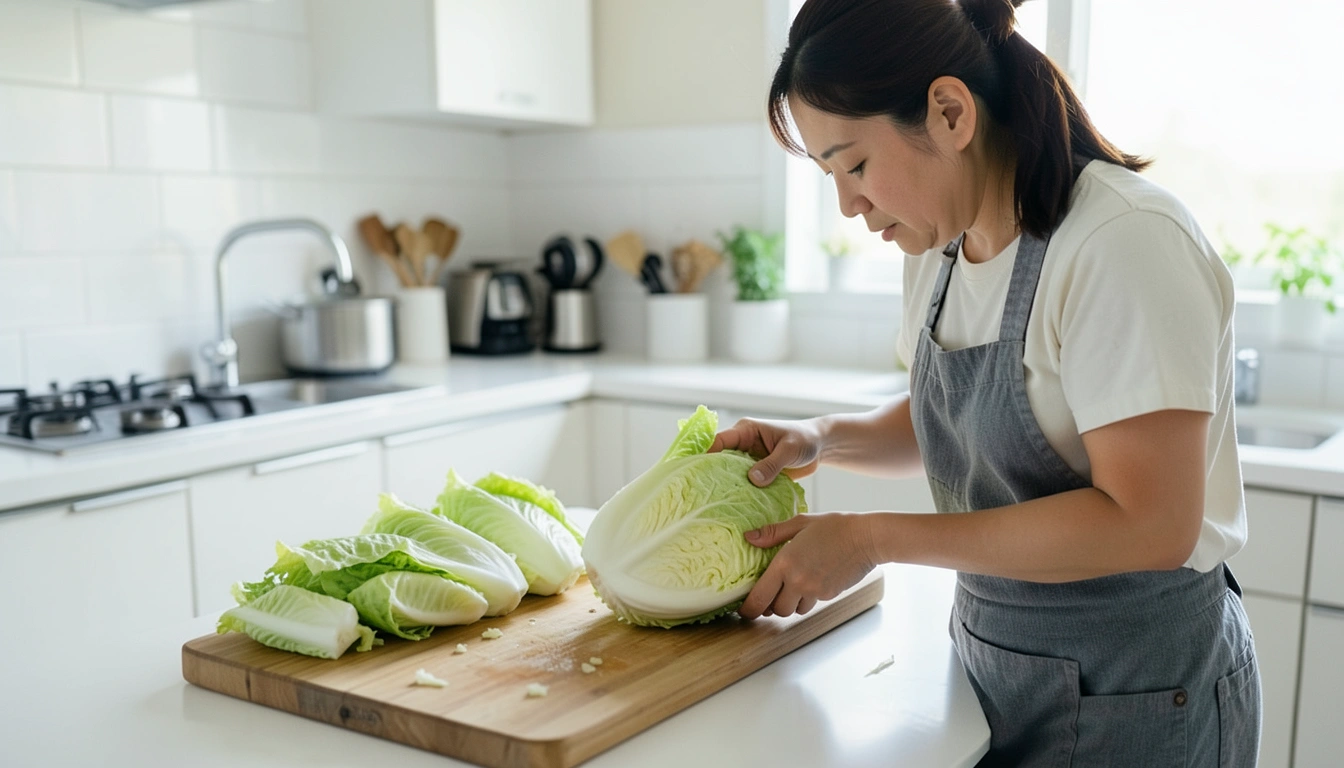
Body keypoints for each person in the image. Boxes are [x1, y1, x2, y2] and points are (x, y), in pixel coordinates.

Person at [708, 0, 1262, 764]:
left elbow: (1152, 523)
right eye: (830, 174)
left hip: (1139, 688)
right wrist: (821, 440)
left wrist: (874, 538)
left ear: (949, 112)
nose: (848, 204)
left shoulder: (1121, 242)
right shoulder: (938, 249)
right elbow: (961, 417)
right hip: (994, 667)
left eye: (856, 164)